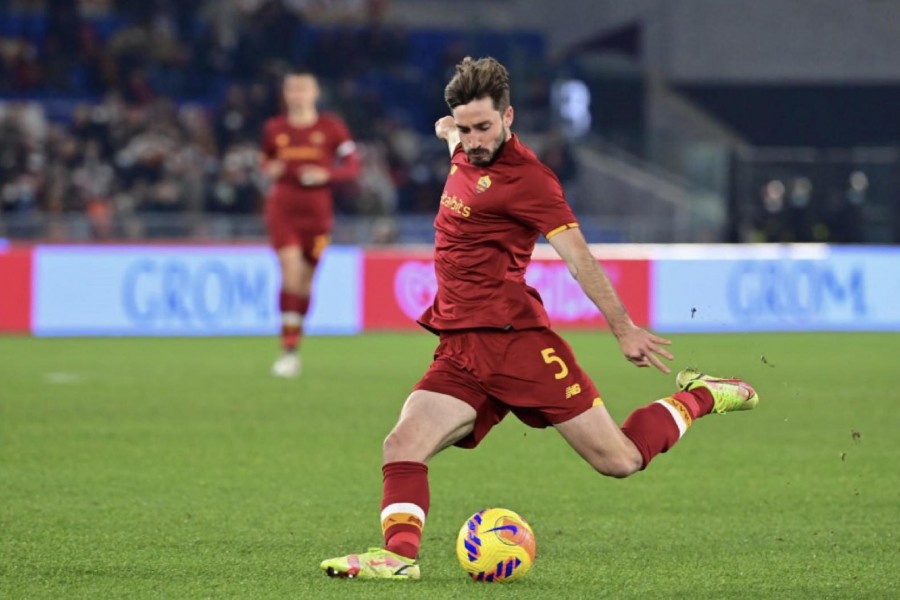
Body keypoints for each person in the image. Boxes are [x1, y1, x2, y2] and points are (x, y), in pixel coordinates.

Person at [319, 57, 759, 580]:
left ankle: (704, 394)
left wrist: (624, 329)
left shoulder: (531, 180)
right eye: (465, 128)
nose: (474, 138)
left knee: (618, 460)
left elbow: (579, 259)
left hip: (515, 344)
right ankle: (399, 558)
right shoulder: (461, 146)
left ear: (508, 118)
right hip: (460, 347)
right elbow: (449, 135)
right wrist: (450, 130)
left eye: (484, 126)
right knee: (402, 443)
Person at [260, 69, 360, 378]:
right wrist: (270, 168)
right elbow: (265, 160)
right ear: (285, 94)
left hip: (317, 215)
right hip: (283, 209)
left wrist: (327, 175)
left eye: (303, 89)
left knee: (305, 281)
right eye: (292, 89)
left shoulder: (331, 128)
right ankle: (287, 349)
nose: (297, 95)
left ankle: (295, 340)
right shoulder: (274, 128)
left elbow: (354, 165)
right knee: (290, 272)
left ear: (315, 93)